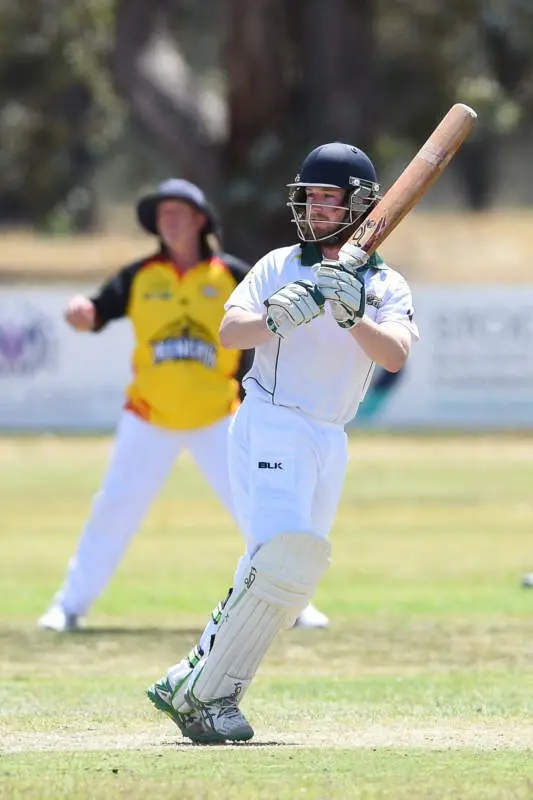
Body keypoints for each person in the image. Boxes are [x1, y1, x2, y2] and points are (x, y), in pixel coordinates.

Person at [146, 143, 419, 744]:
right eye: (312, 197)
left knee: (293, 574)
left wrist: (354, 319)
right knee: (280, 554)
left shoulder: (385, 283)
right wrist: (276, 317)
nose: (318, 208)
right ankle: (212, 697)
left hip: (331, 434)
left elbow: (394, 355)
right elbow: (228, 331)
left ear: (360, 205)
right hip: (272, 419)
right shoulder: (278, 265)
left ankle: (190, 678)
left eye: (330, 198)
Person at [37, 177, 330, 634]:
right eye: (161, 212)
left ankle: (291, 605)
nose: (168, 219)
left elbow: (272, 317)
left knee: (260, 509)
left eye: (177, 211)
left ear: (200, 220)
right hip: (149, 417)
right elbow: (97, 310)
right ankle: (68, 606)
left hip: (220, 417)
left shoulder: (231, 273)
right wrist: (82, 313)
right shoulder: (140, 276)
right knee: (113, 509)